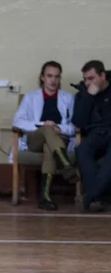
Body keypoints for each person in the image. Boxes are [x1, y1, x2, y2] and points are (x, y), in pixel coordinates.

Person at [11, 61, 77, 211]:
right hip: (36, 139)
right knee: (47, 129)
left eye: (56, 77)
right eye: (49, 76)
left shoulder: (68, 98)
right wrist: (42, 125)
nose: (53, 80)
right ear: (42, 77)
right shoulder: (30, 97)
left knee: (49, 146)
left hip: (59, 139)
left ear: (60, 78)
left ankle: (44, 197)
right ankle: (66, 164)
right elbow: (18, 121)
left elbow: (74, 126)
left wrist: (59, 127)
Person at [73, 60, 111, 212]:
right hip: (96, 134)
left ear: (102, 76)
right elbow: (78, 122)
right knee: (82, 150)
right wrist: (89, 97)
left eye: (91, 78)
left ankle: (91, 196)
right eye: (85, 79)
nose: (88, 82)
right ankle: (97, 197)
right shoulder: (83, 94)